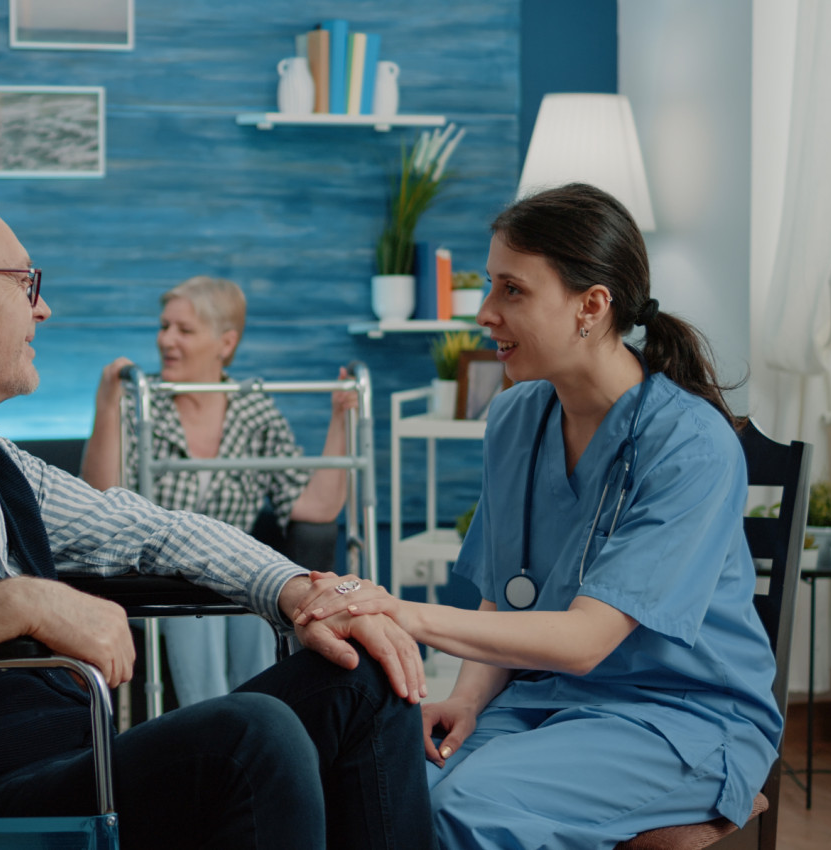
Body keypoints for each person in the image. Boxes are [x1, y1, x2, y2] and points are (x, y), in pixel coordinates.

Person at [0, 192, 434, 850]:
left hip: (68, 776)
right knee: (250, 734)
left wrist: (302, 592)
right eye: (25, 285)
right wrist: (11, 604)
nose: (44, 311)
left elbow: (154, 529)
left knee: (364, 675)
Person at [292, 183, 781, 849]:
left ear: (592, 306)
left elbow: (586, 640)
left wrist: (404, 613)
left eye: (511, 291)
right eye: (490, 287)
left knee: (459, 808)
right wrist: (466, 698)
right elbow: (507, 592)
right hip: (545, 704)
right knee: (383, 788)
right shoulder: (516, 416)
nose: (485, 313)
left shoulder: (690, 446)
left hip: (680, 721)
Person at [79, 276, 358, 706]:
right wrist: (107, 405)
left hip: (230, 571)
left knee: (257, 597)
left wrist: (340, 420)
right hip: (156, 574)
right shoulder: (138, 402)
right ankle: (209, 735)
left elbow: (313, 506)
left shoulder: (254, 408)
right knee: (200, 608)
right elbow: (101, 499)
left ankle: (262, 727)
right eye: (164, 326)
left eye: (184, 330)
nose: (166, 340)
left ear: (225, 343)